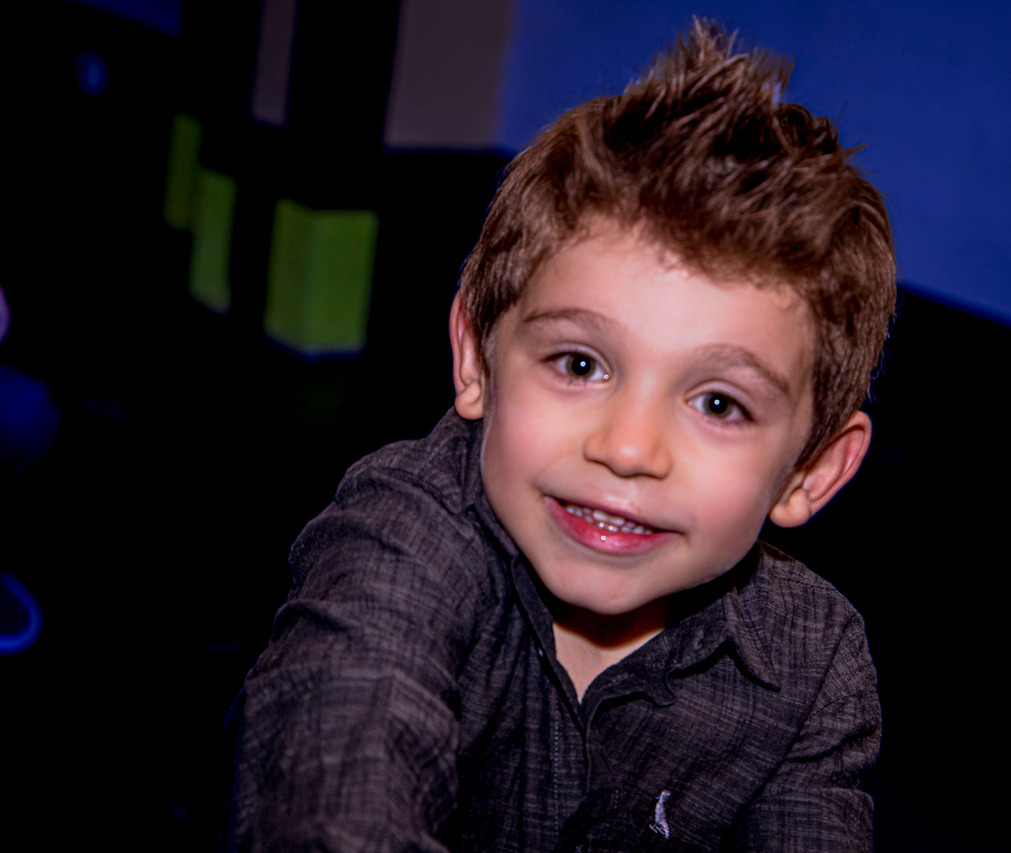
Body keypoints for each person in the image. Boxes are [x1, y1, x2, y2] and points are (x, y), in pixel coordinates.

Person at [231, 19, 896, 852]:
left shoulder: (813, 661)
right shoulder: (400, 539)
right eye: (580, 364)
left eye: (719, 404)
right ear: (477, 356)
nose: (628, 447)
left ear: (812, 469)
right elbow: (332, 810)